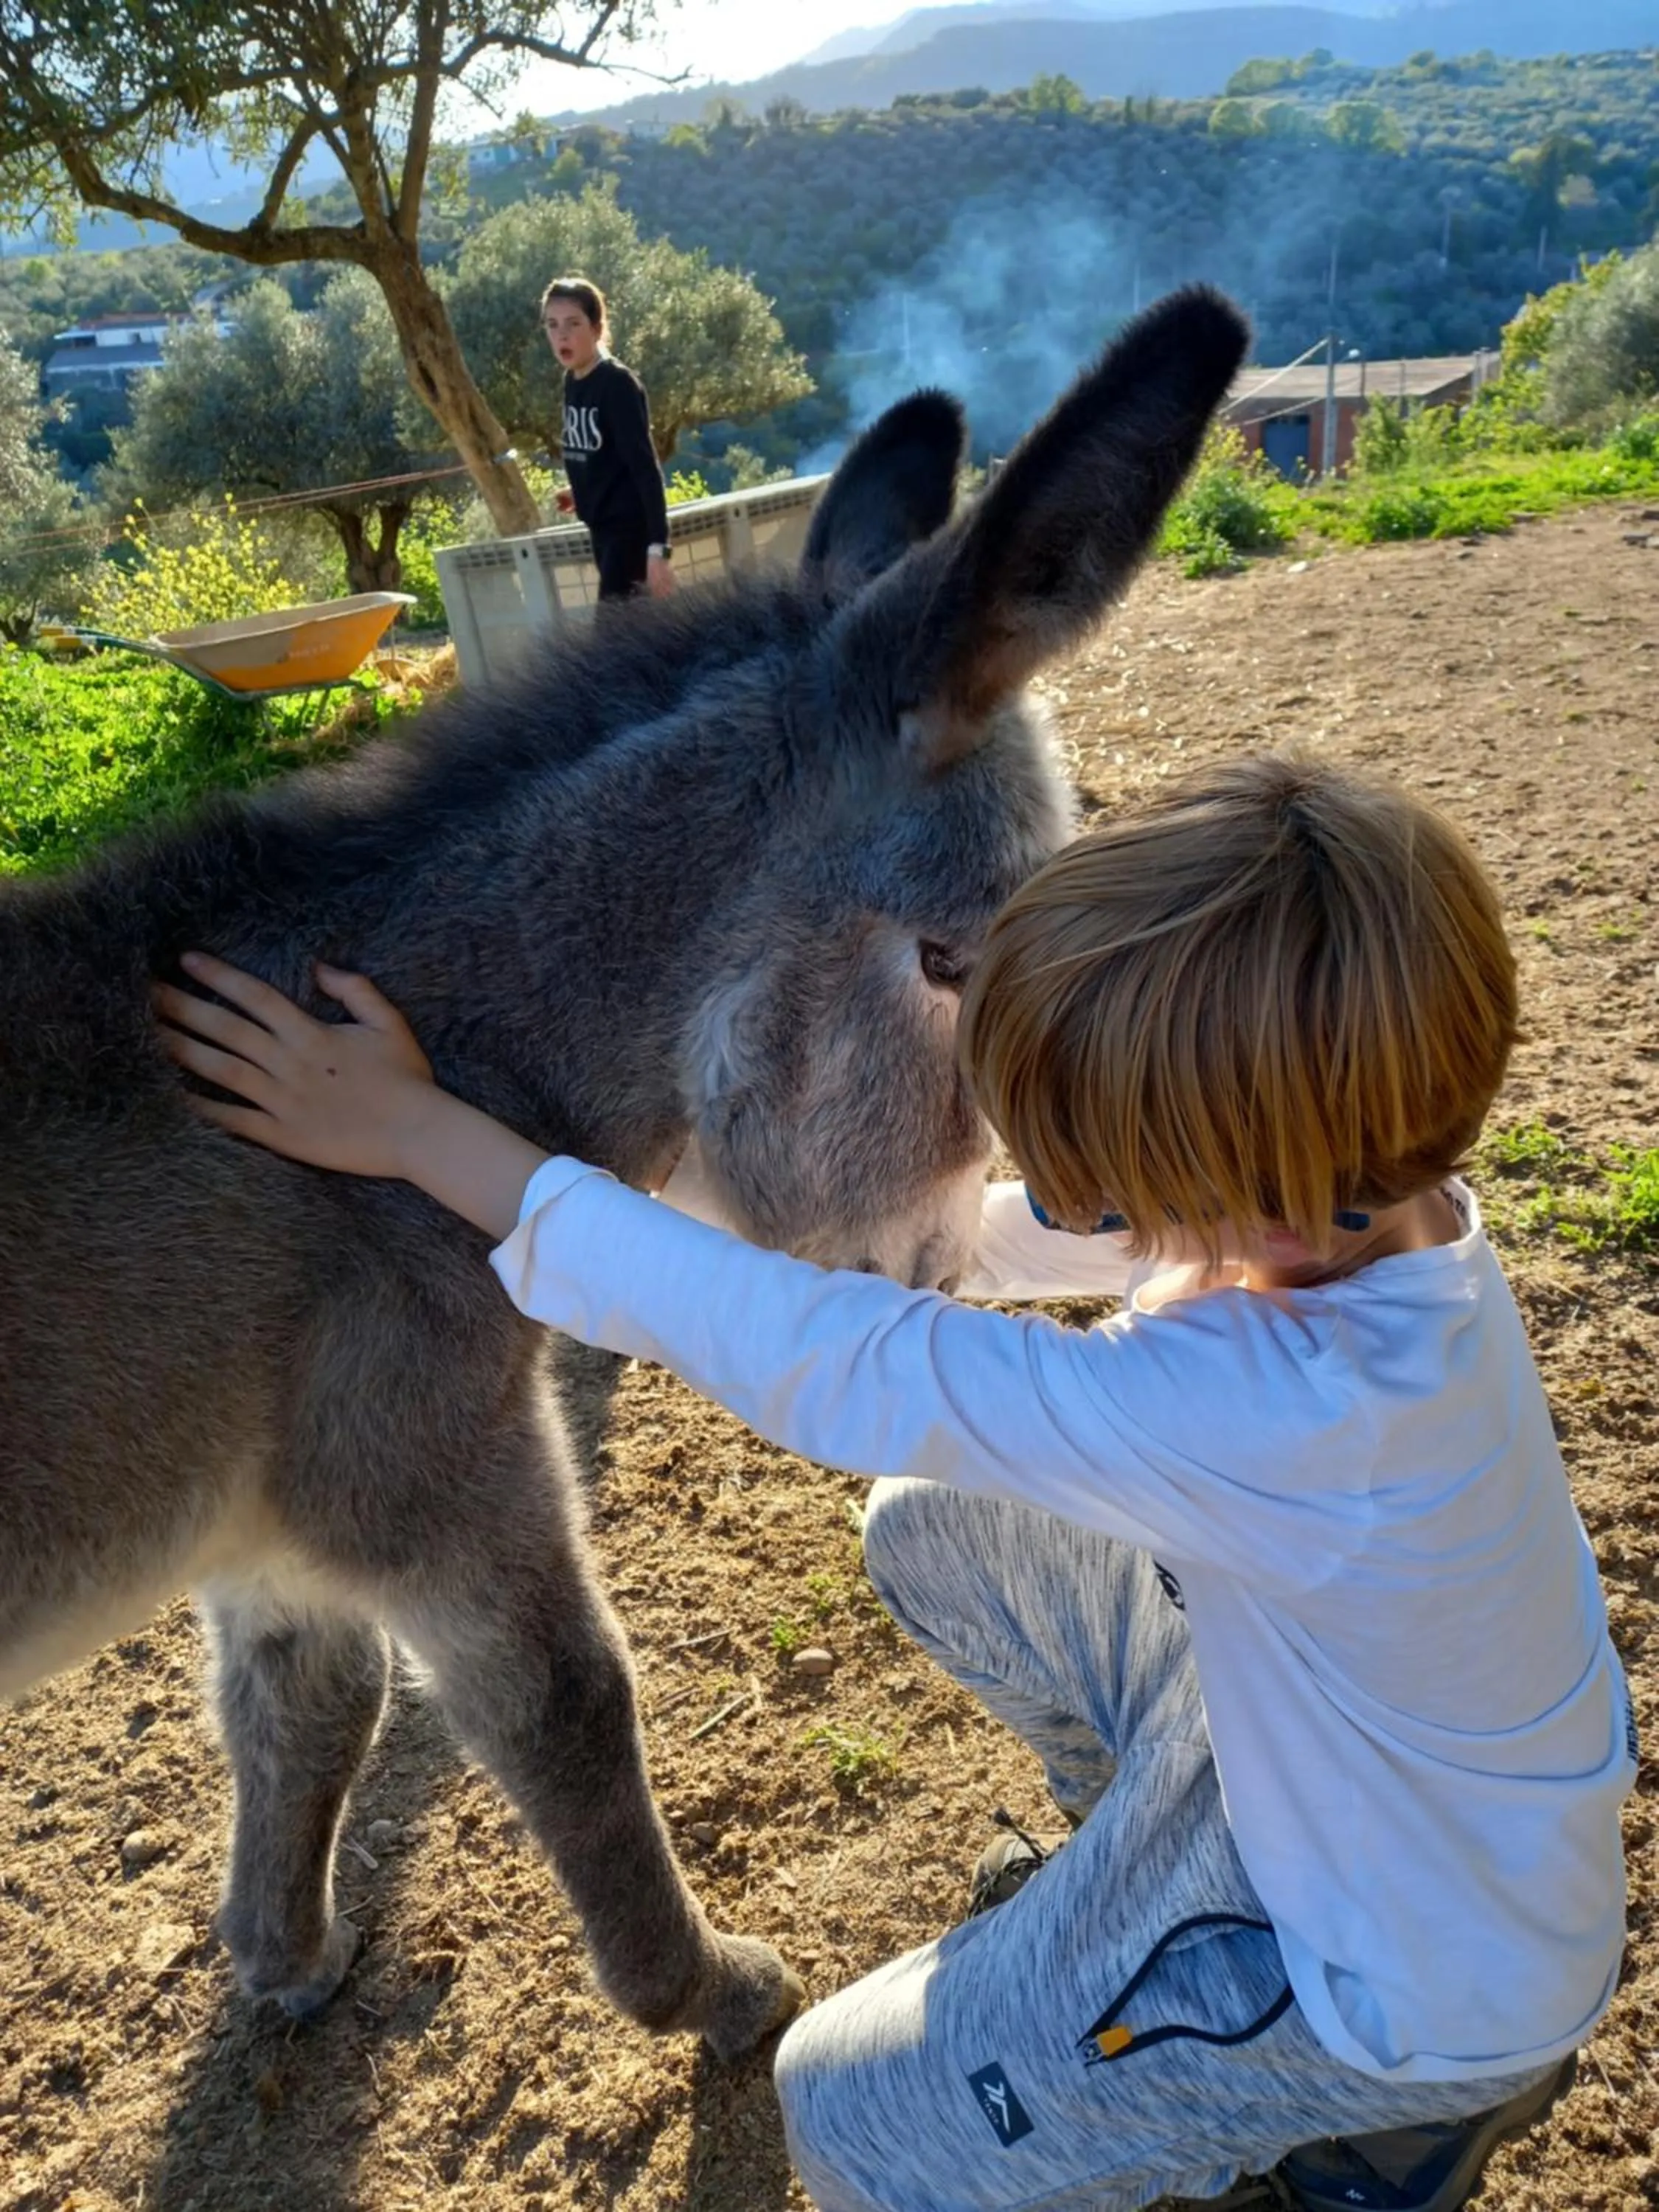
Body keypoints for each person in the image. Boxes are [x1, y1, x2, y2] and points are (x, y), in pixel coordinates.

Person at [153, 754, 1634, 2212]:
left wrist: (426, 1137)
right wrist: (651, 1157)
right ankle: (1119, 1876)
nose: (1069, 1209)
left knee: (851, 2122)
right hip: (1377, 1785)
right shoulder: (1369, 1202)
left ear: (1254, 1187)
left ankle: (1364, 2135)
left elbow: (839, 1361)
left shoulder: (1302, 1415)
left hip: (1396, 1972)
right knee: (947, 1533)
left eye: (1097, 1185)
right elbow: (980, 1245)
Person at [540, 274, 675, 605]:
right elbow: (603, 452)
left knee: (612, 639)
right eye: (552, 325)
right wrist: (582, 489)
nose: (562, 335)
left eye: (573, 323)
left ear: (597, 329)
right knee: (633, 641)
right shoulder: (572, 381)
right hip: (600, 531)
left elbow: (645, 468)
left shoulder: (617, 384)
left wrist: (658, 550)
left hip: (628, 533)